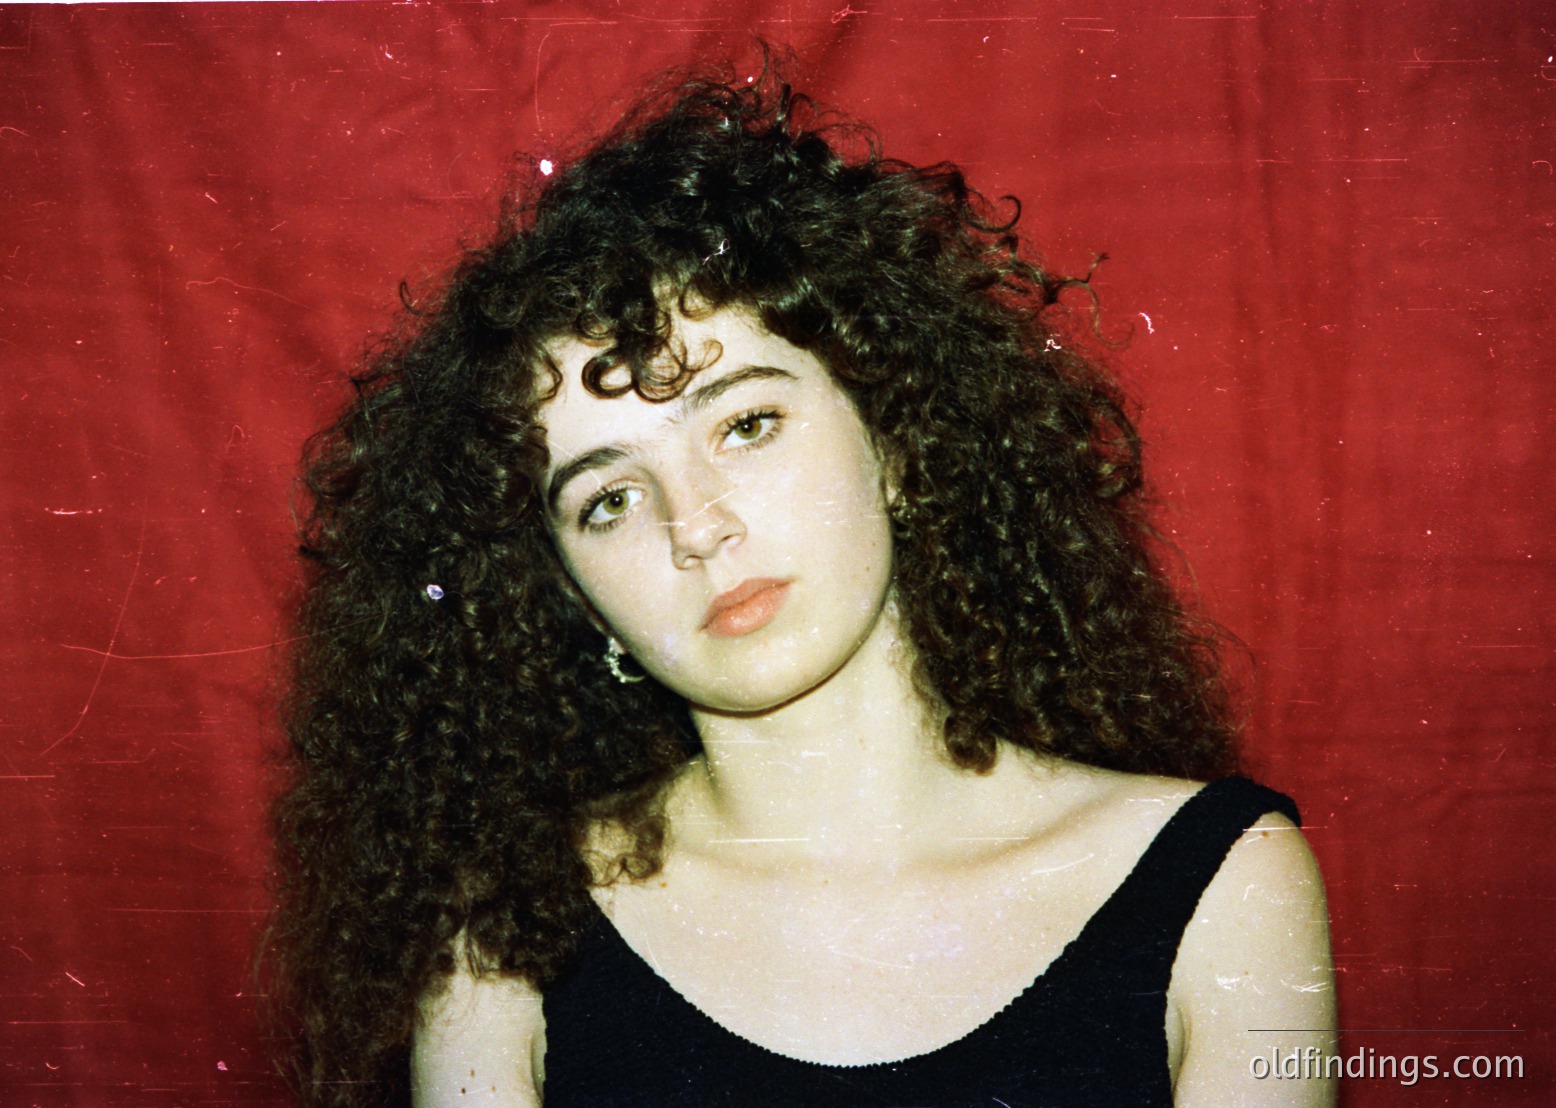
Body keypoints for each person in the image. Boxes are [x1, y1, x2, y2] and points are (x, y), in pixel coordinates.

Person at [267, 63, 1335, 1107]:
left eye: (744, 424)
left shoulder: (1224, 887)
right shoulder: (499, 936)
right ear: (565, 593)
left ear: (897, 440)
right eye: (608, 499)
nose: (696, 528)